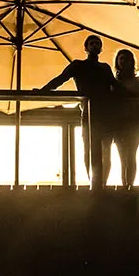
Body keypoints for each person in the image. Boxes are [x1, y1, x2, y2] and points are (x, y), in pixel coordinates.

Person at [39, 35, 116, 188]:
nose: (95, 45)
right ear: (86, 48)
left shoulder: (104, 68)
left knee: (104, 149)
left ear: (100, 48)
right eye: (92, 43)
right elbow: (60, 79)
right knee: (90, 148)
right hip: (91, 113)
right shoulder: (79, 65)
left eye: (97, 43)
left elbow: (115, 87)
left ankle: (101, 184)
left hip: (104, 113)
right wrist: (43, 90)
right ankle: (95, 184)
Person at [111, 48, 139, 188]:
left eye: (126, 59)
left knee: (130, 154)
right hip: (119, 122)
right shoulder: (114, 82)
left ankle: (129, 185)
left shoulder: (138, 81)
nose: (124, 62)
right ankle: (126, 185)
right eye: (121, 59)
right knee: (123, 157)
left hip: (134, 122)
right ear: (118, 62)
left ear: (131, 62)